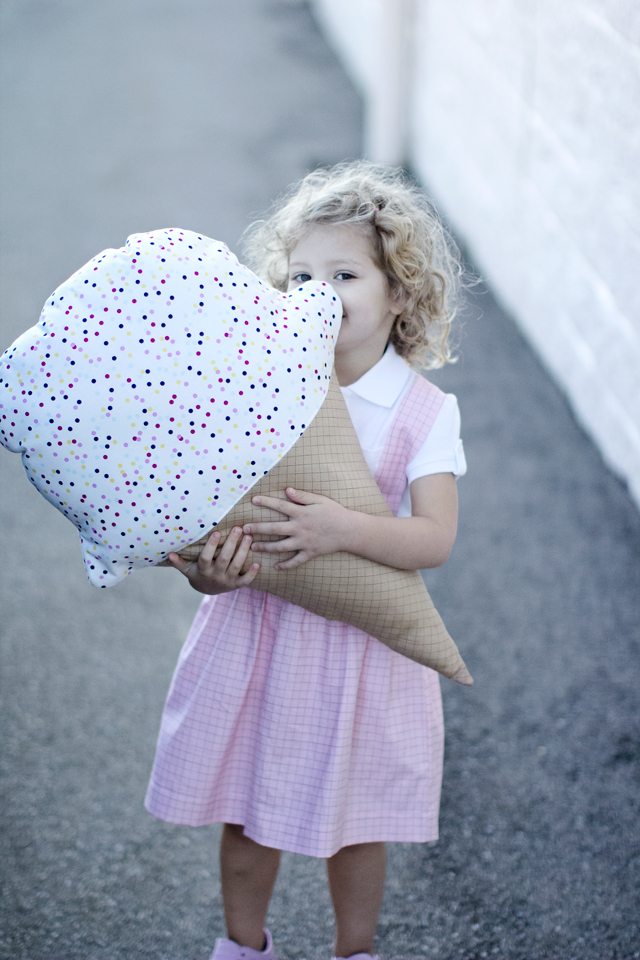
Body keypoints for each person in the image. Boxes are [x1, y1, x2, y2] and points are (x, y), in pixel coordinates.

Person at [145, 161, 467, 960]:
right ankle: (242, 946)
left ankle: (353, 950)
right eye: (300, 274)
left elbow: (435, 538)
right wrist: (201, 569)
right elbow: (204, 504)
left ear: (400, 294)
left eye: (345, 273)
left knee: (357, 828)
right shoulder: (260, 388)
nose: (318, 290)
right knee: (248, 815)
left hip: (361, 653)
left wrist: (344, 530)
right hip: (256, 636)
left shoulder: (422, 411)